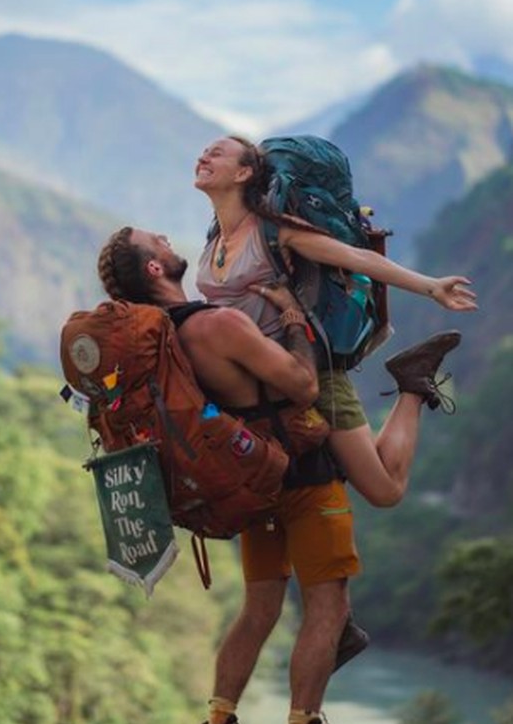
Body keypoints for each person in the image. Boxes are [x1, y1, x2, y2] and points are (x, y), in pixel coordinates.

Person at [96, 226, 461, 724]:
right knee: (329, 604)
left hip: (246, 480)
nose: (166, 239)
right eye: (157, 241)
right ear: (154, 269)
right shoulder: (215, 324)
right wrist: (291, 313)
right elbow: (303, 384)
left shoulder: (162, 339)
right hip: (300, 470)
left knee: (260, 606)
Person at [194, 136, 478, 507]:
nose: (204, 156)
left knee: (384, 490)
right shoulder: (214, 238)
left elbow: (359, 259)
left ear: (244, 172)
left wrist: (432, 287)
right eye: (204, 151)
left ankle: (412, 382)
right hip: (255, 384)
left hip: (311, 373)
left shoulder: (274, 231)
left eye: (217, 153)